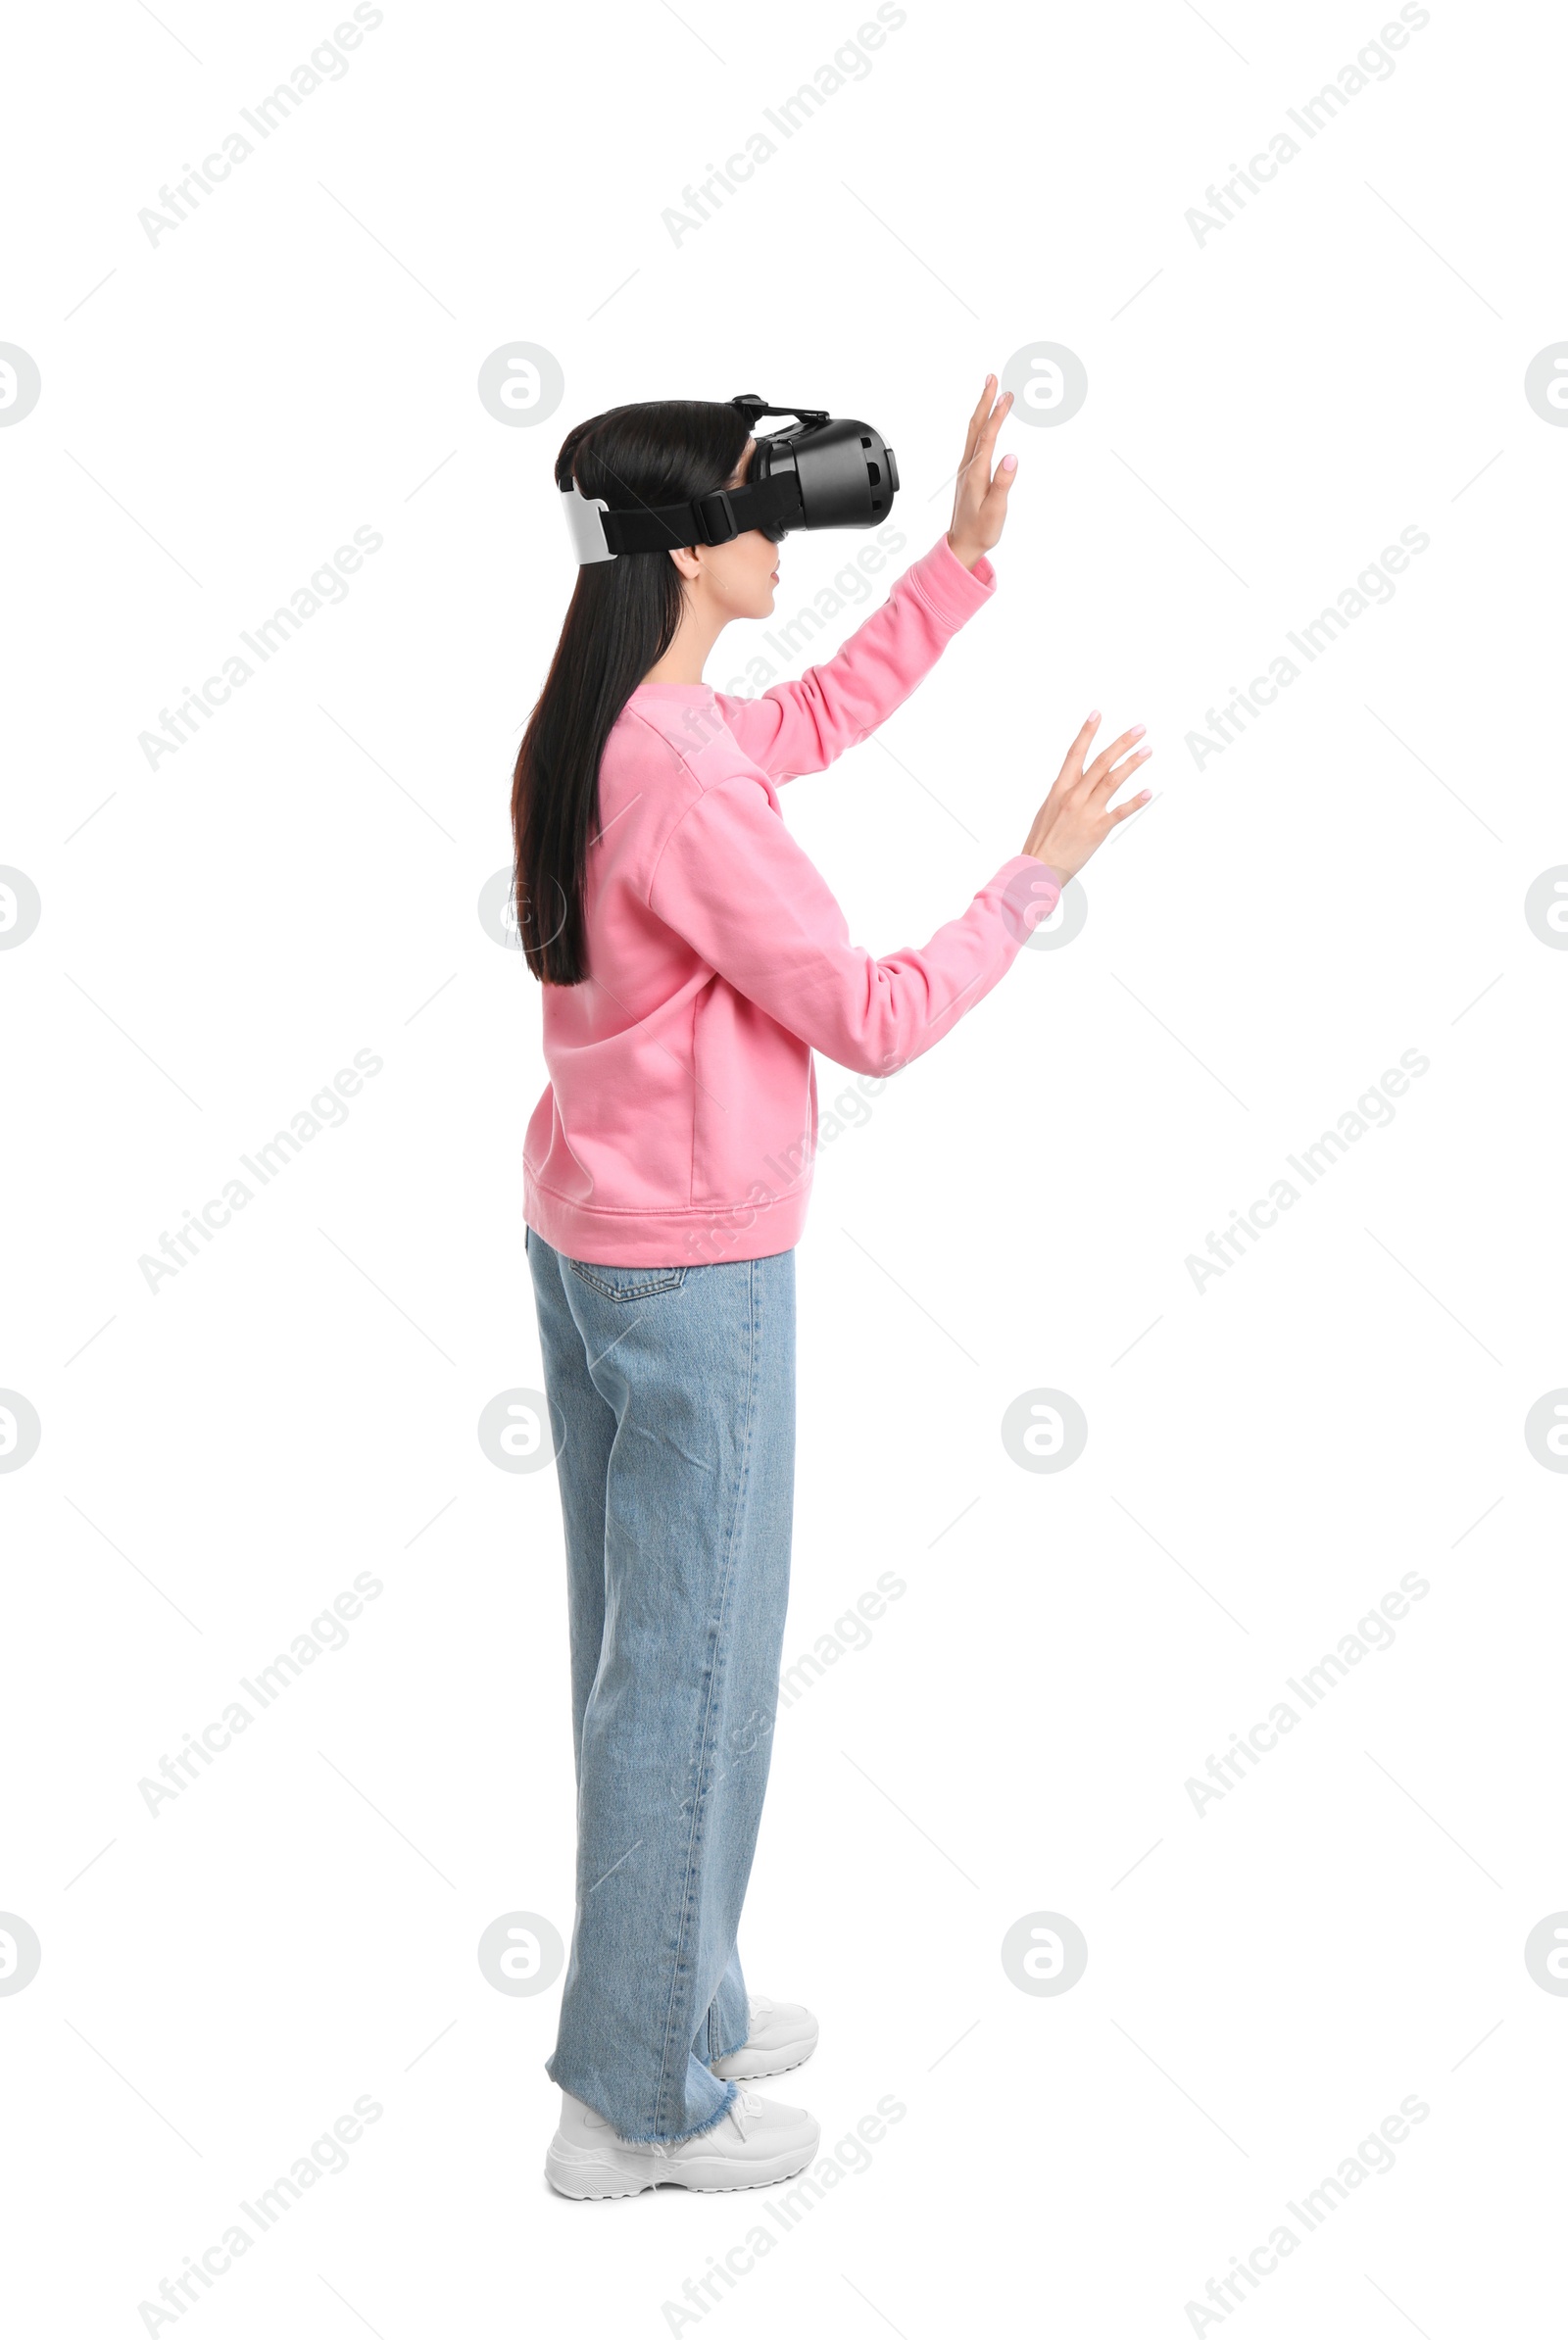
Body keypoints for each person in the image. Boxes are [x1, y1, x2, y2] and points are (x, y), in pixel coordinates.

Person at [512, 378, 1152, 2199]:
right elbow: (871, 1017)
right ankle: (632, 2107)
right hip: (695, 1270)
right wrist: (1040, 871)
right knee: (691, 1676)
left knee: (642, 1663)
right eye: (753, 509)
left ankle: (679, 1991)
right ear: (685, 552)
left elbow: (796, 719)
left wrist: (957, 564)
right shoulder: (682, 785)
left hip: (597, 1232)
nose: (778, 532)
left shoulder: (616, 722)